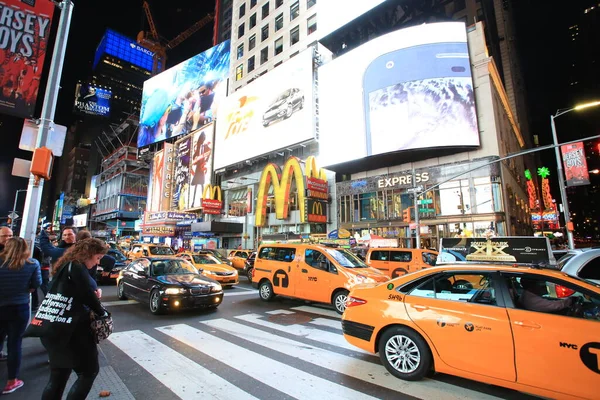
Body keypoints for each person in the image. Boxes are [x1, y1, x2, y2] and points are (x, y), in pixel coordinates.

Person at [41, 239, 108, 400]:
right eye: (97, 257)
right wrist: (103, 313)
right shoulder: (77, 267)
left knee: (58, 376)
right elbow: (87, 296)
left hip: (53, 325)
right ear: (88, 254)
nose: (98, 262)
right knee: (89, 372)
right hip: (73, 329)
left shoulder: (66, 265)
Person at [0, 238, 42, 394]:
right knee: (15, 343)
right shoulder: (31, 264)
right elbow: (36, 284)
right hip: (20, 307)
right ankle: (12, 380)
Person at [0, 227, 14, 362]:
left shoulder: (16, 255)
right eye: (5, 236)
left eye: (10, 236)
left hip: (13, 300)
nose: (8, 239)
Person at [189, 131, 212, 208]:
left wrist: (206, 160)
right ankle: (192, 202)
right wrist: (195, 159)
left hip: (201, 168)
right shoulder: (198, 147)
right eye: (201, 138)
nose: (202, 140)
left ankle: (203, 201)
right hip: (198, 168)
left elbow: (210, 151)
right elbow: (194, 156)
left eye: (203, 138)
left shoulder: (205, 146)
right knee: (196, 184)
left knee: (202, 184)